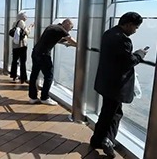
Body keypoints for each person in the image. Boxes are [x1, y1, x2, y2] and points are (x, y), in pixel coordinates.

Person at [89, 12, 147, 158]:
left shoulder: (108, 33)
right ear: (128, 24)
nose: (135, 30)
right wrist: (139, 54)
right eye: (136, 27)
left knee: (107, 112)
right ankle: (108, 141)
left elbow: (118, 57)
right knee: (114, 114)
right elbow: (128, 62)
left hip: (105, 81)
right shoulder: (123, 40)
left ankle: (97, 140)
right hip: (116, 85)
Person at [28, 18, 77, 105]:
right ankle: (44, 97)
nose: (70, 29)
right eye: (70, 27)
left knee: (34, 74)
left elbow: (55, 38)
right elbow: (70, 39)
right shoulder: (61, 29)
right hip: (43, 55)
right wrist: (79, 45)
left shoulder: (53, 27)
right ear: (67, 23)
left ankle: (33, 97)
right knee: (49, 75)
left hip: (36, 52)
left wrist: (66, 42)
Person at [10, 12, 33, 84]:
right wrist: (30, 27)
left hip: (15, 45)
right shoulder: (22, 22)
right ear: (22, 17)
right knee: (23, 61)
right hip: (22, 45)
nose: (26, 17)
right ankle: (23, 78)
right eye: (25, 16)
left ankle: (13, 75)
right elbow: (27, 32)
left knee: (14, 60)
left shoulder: (14, 23)